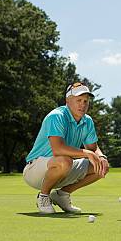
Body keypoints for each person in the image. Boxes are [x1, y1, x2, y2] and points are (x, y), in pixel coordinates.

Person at [23, 83, 109, 214]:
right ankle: (43, 197)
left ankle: (62, 195)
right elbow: (58, 149)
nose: (83, 104)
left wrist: (101, 157)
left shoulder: (88, 121)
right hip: (35, 170)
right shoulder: (56, 116)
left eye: (86, 101)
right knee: (64, 160)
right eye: (78, 100)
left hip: (63, 168)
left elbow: (93, 148)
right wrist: (86, 153)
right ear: (68, 101)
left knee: (101, 166)